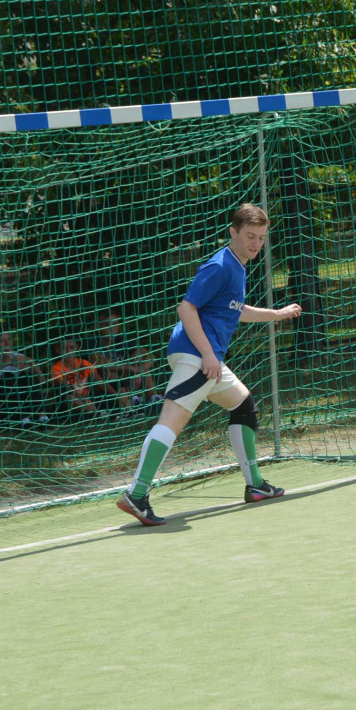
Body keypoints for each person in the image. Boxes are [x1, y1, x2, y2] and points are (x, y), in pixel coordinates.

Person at [117, 203, 302, 525]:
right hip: (198, 356)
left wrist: (277, 314)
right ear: (233, 233)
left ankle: (256, 486)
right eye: (249, 236)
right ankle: (137, 494)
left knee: (243, 405)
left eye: (260, 237)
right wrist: (208, 356)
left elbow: (234, 310)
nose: (255, 243)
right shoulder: (219, 266)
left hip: (206, 357)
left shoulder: (237, 266)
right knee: (171, 420)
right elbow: (186, 309)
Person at [84, 308, 160, 406]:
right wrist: (132, 368)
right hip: (101, 387)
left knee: (143, 369)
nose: (112, 328)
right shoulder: (92, 343)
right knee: (110, 373)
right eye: (107, 324)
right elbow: (99, 363)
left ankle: (153, 399)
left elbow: (149, 355)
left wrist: (141, 369)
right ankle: (126, 403)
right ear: (97, 326)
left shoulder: (120, 340)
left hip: (123, 380)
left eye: (115, 323)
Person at [0, 329, 48, 427]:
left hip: (19, 402)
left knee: (26, 376)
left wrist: (32, 364)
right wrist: (6, 363)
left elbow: (42, 381)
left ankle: (41, 416)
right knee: (8, 377)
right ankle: (22, 418)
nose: (7, 343)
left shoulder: (19, 357)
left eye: (9, 340)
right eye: (2, 341)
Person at [50, 337, 128, 418]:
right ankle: (94, 413)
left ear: (77, 348)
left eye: (71, 348)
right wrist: (83, 399)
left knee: (115, 382)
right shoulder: (56, 368)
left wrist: (116, 396)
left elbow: (101, 383)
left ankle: (125, 407)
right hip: (71, 403)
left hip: (89, 398)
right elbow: (66, 388)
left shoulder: (84, 363)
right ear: (58, 350)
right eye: (64, 348)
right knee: (65, 392)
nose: (68, 351)